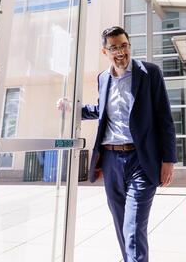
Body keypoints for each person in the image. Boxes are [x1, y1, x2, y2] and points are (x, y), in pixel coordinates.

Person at [60, 26, 177, 262]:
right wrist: (74, 109)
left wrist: (169, 160)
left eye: (123, 45)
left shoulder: (150, 73)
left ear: (129, 45)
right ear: (106, 52)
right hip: (111, 160)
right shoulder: (103, 78)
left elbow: (164, 118)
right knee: (121, 224)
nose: (120, 51)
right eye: (114, 47)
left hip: (141, 160)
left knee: (133, 227)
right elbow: (101, 110)